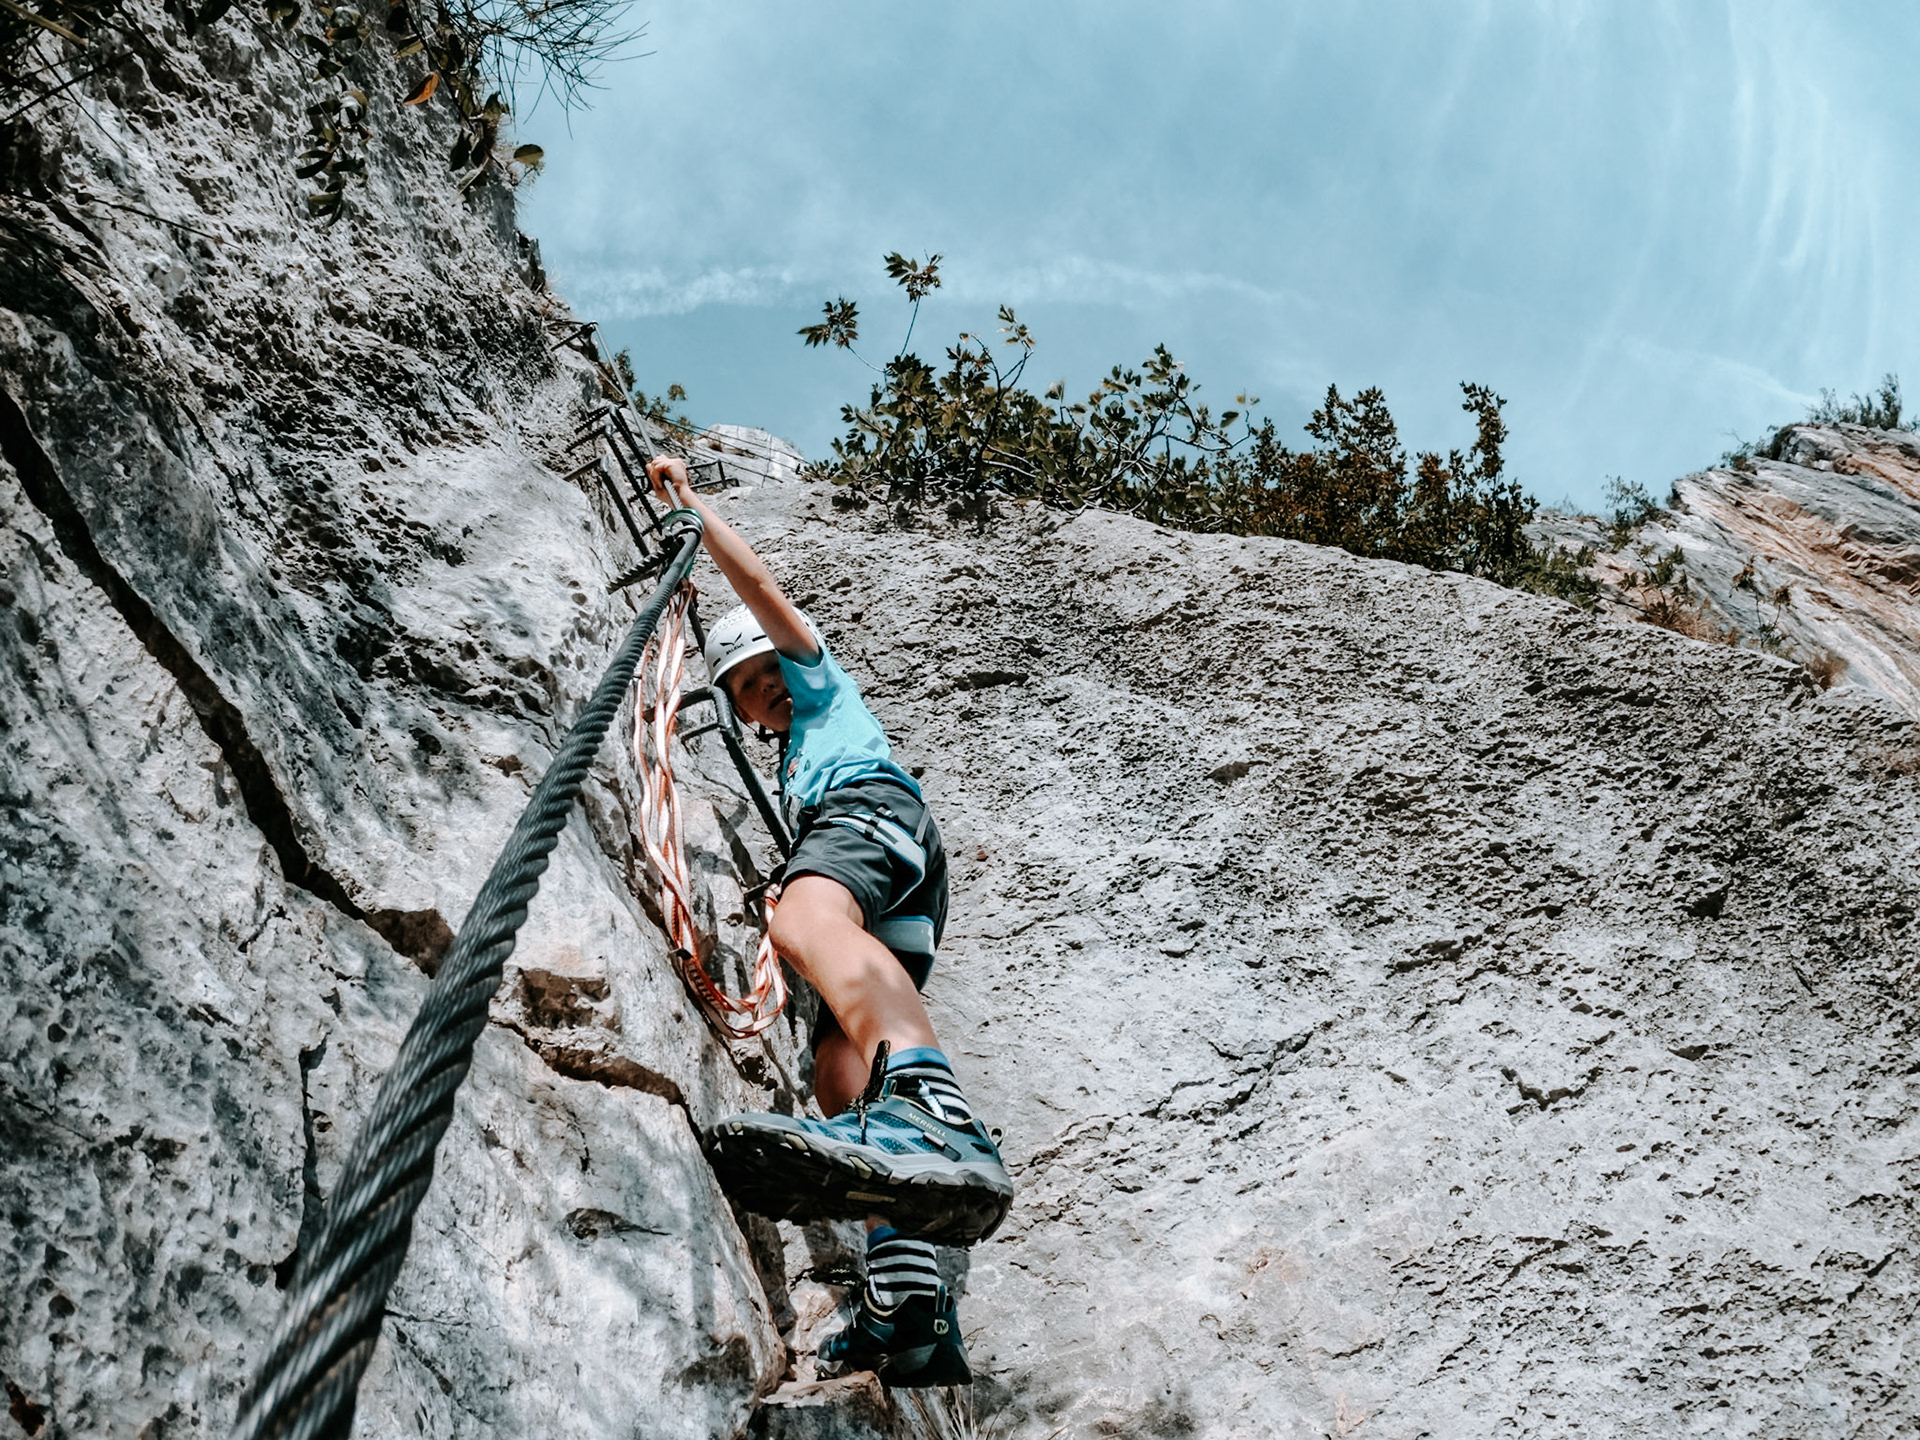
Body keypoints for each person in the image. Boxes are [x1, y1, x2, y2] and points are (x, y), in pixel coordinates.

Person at [645, 455, 1013, 1389]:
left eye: (768, 665)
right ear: (732, 705)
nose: (764, 680)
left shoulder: (824, 694)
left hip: (877, 815)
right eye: (743, 681)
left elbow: (762, 590)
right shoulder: (793, 753)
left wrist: (697, 514)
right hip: (901, 881)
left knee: (803, 918)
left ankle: (936, 1112)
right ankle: (910, 1307)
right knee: (840, 1071)